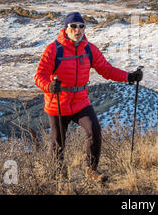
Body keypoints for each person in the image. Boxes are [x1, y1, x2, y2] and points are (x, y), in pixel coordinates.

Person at [34, 11, 143, 182]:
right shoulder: (53, 49)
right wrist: (49, 86)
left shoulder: (89, 49)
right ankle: (57, 177)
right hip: (58, 104)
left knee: (94, 131)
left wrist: (129, 77)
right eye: (74, 26)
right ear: (66, 28)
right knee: (58, 143)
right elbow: (39, 75)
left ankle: (91, 170)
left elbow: (106, 69)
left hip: (80, 102)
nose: (78, 30)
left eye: (82, 26)